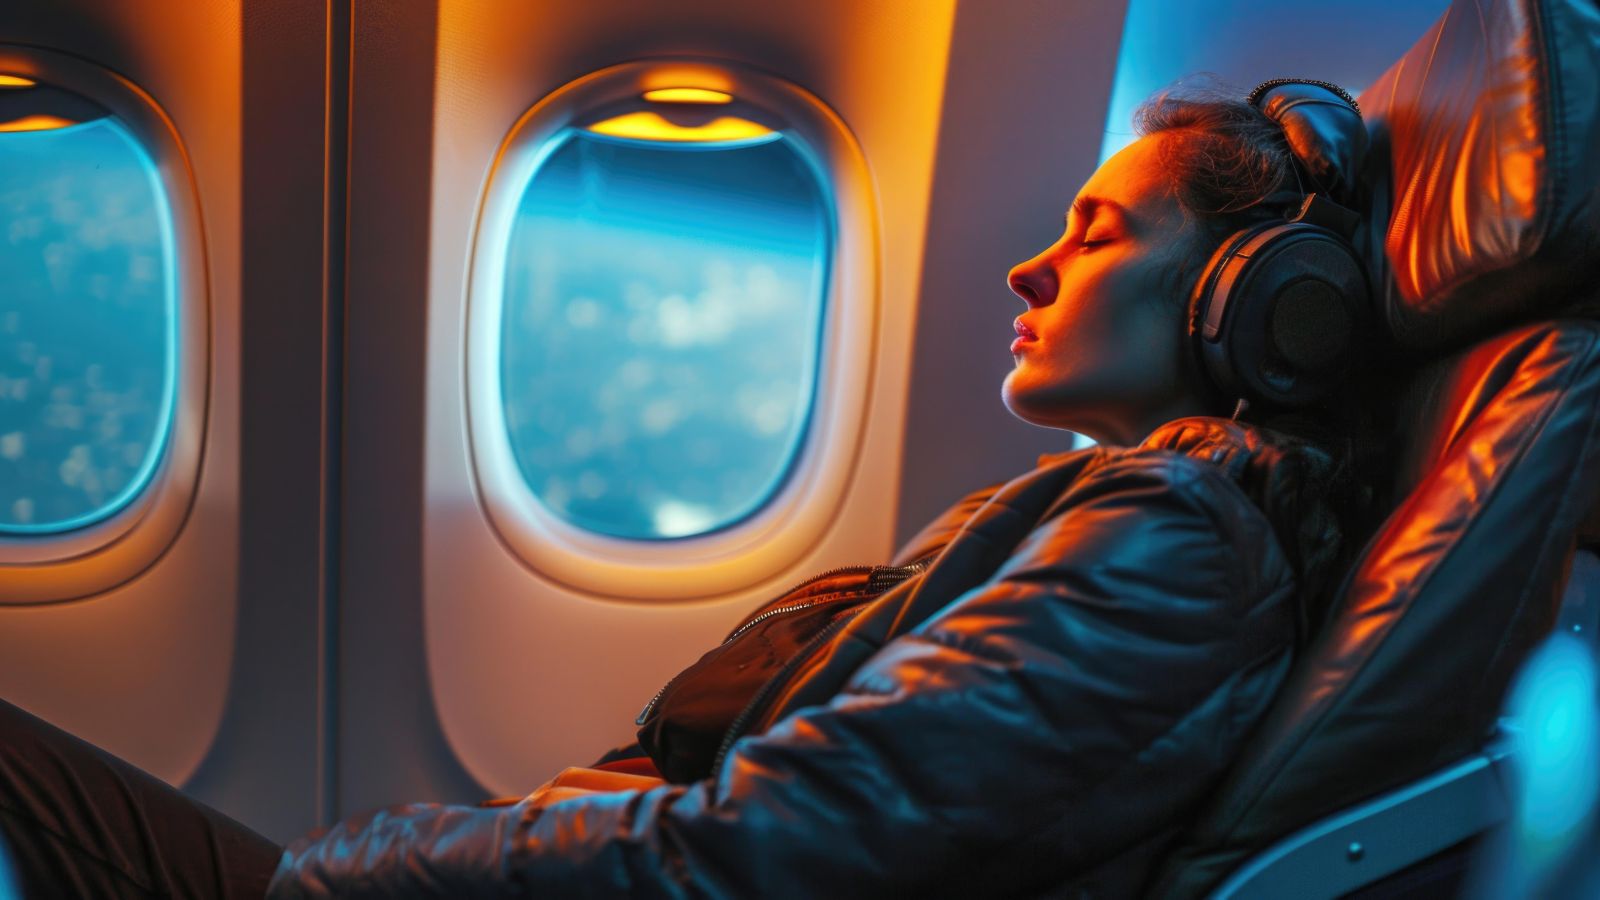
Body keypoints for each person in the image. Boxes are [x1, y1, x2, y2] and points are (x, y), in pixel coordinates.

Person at [0, 77, 1369, 898]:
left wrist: (362, 868)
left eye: (1098, 232)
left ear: (1250, 301)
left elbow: (788, 845)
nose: (1029, 267)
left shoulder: (1177, 543)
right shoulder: (1121, 524)